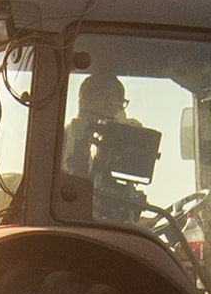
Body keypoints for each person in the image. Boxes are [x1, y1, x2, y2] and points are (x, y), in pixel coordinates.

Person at [62, 71, 163, 217]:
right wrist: (121, 128)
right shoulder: (73, 140)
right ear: (108, 101)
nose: (120, 109)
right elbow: (82, 190)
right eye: (120, 103)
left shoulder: (84, 137)